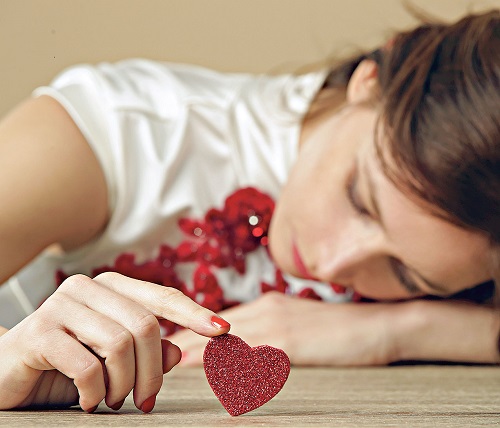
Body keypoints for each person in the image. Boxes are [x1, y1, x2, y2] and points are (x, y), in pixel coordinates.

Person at [0, 9, 499, 414]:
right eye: (358, 199)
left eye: (407, 275)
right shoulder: (123, 133)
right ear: (369, 80)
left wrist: (401, 329)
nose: (331, 263)